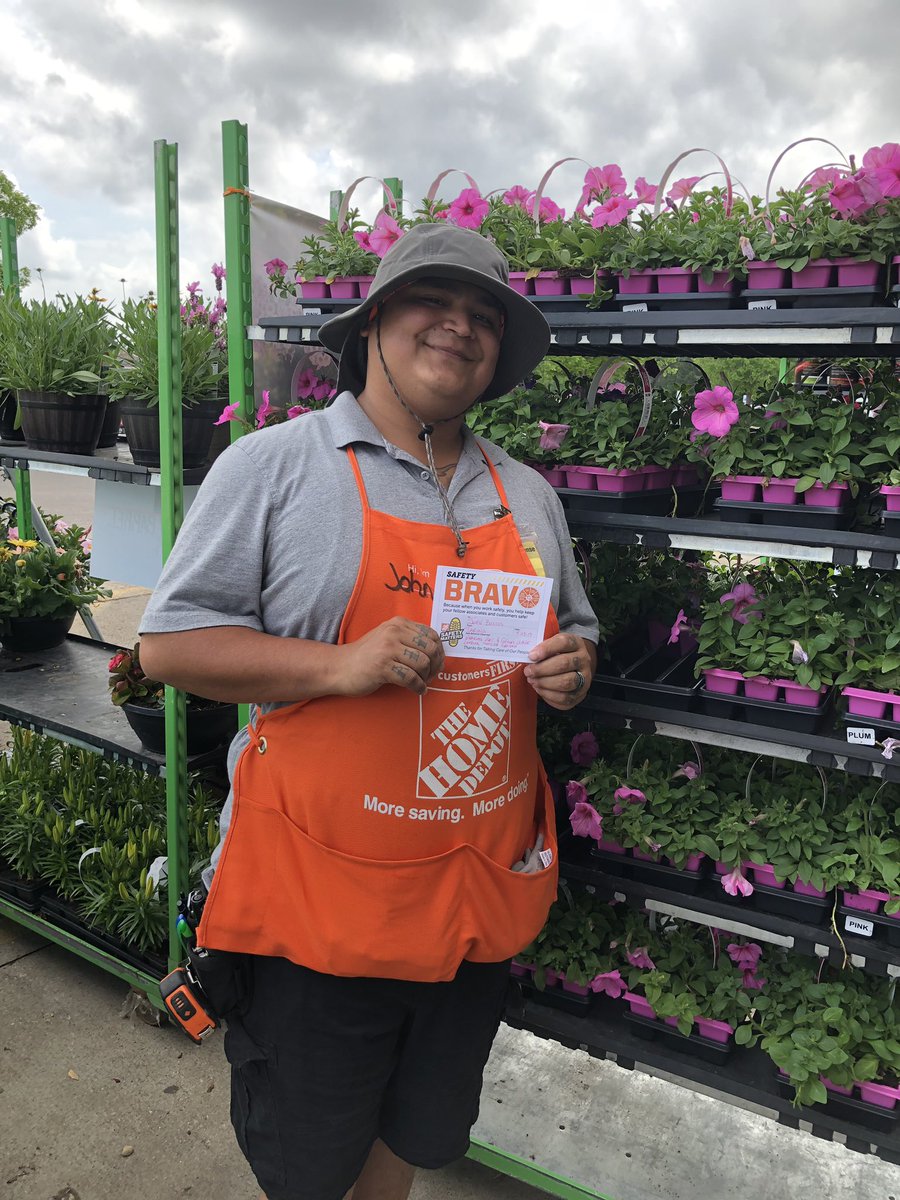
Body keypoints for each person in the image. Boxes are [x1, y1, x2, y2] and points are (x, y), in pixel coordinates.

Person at [139, 222, 599, 1200]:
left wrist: (573, 666)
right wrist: (342, 666)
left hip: (474, 901)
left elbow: (574, 630)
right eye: (435, 301)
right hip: (320, 914)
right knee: (310, 1168)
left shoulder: (528, 495)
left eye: (484, 316)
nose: (460, 327)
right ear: (376, 321)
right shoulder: (274, 468)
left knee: (416, 1134)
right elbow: (169, 646)